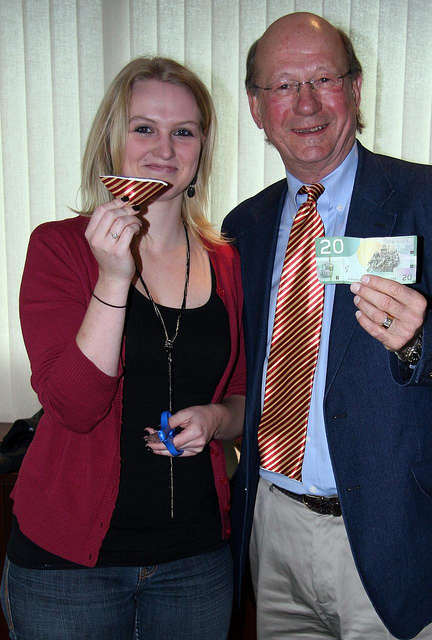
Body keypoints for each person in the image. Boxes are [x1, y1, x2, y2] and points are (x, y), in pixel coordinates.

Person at [222, 12, 432, 640]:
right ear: (256, 107)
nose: (306, 103)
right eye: (284, 85)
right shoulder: (244, 226)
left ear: (355, 89)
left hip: (405, 535)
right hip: (274, 534)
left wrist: (423, 337)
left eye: (324, 79)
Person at [1, 56, 245, 640]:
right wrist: (113, 278)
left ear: (202, 148)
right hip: (68, 569)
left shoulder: (227, 261)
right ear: (113, 139)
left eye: (183, 131)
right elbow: (75, 406)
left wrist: (216, 419)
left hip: (196, 561)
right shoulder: (58, 248)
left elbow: (244, 400)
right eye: (144, 128)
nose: (164, 148)